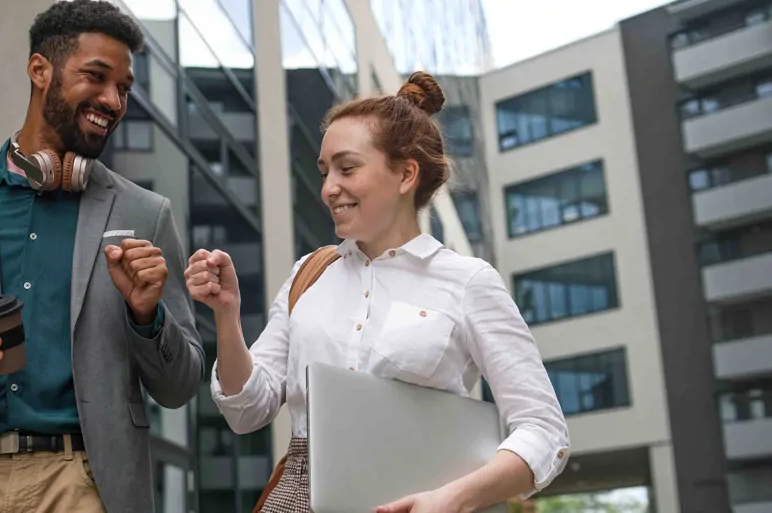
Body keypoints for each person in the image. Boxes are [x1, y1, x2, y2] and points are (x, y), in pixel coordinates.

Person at [186, 72, 570, 513]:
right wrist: (227, 315)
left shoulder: (468, 282)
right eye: (325, 170)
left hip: (418, 501)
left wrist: (453, 498)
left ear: (406, 174)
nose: (329, 187)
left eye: (347, 168)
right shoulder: (308, 275)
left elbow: (544, 430)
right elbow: (247, 411)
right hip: (298, 498)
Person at [0, 2, 204, 512]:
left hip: (83, 483)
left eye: (123, 87)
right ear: (40, 71)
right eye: (96, 77)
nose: (112, 100)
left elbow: (181, 384)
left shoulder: (146, 214)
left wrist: (148, 316)